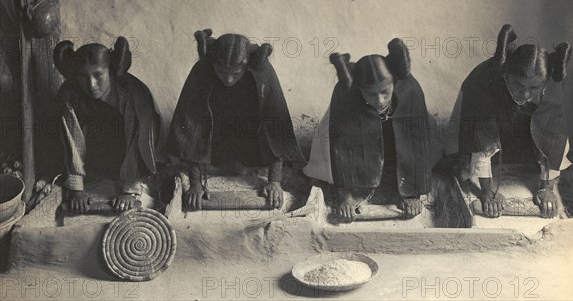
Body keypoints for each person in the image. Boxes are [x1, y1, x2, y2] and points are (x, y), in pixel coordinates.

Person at [303, 39, 443, 221]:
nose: (380, 100)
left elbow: (415, 141)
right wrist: (346, 196)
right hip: (358, 134)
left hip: (394, 136)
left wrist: (413, 193)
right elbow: (342, 145)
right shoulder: (346, 95)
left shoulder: (410, 89)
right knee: (328, 152)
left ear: (394, 81)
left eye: (385, 91)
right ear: (359, 88)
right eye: (370, 93)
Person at [167, 30, 305, 210]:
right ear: (213, 64)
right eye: (222, 72)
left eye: (236, 73)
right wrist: (195, 182)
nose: (229, 79)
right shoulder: (202, 70)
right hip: (215, 140)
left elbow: (275, 127)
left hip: (250, 142)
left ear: (247, 66)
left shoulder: (262, 72)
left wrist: (275, 181)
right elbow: (192, 126)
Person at [453, 24, 572, 218]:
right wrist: (488, 192)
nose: (524, 93)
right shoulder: (485, 81)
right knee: (465, 163)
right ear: (506, 75)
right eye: (517, 85)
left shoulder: (551, 86)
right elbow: (481, 139)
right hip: (484, 112)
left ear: (544, 83)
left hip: (521, 120)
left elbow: (554, 139)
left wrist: (546, 188)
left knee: (541, 137)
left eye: (533, 88)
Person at [54, 37, 162, 213]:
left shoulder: (133, 95)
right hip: (95, 160)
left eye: (98, 75)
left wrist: (128, 191)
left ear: (110, 71)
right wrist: (76, 189)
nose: (91, 85)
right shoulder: (69, 94)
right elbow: (72, 138)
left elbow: (137, 140)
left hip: (132, 160)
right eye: (83, 76)